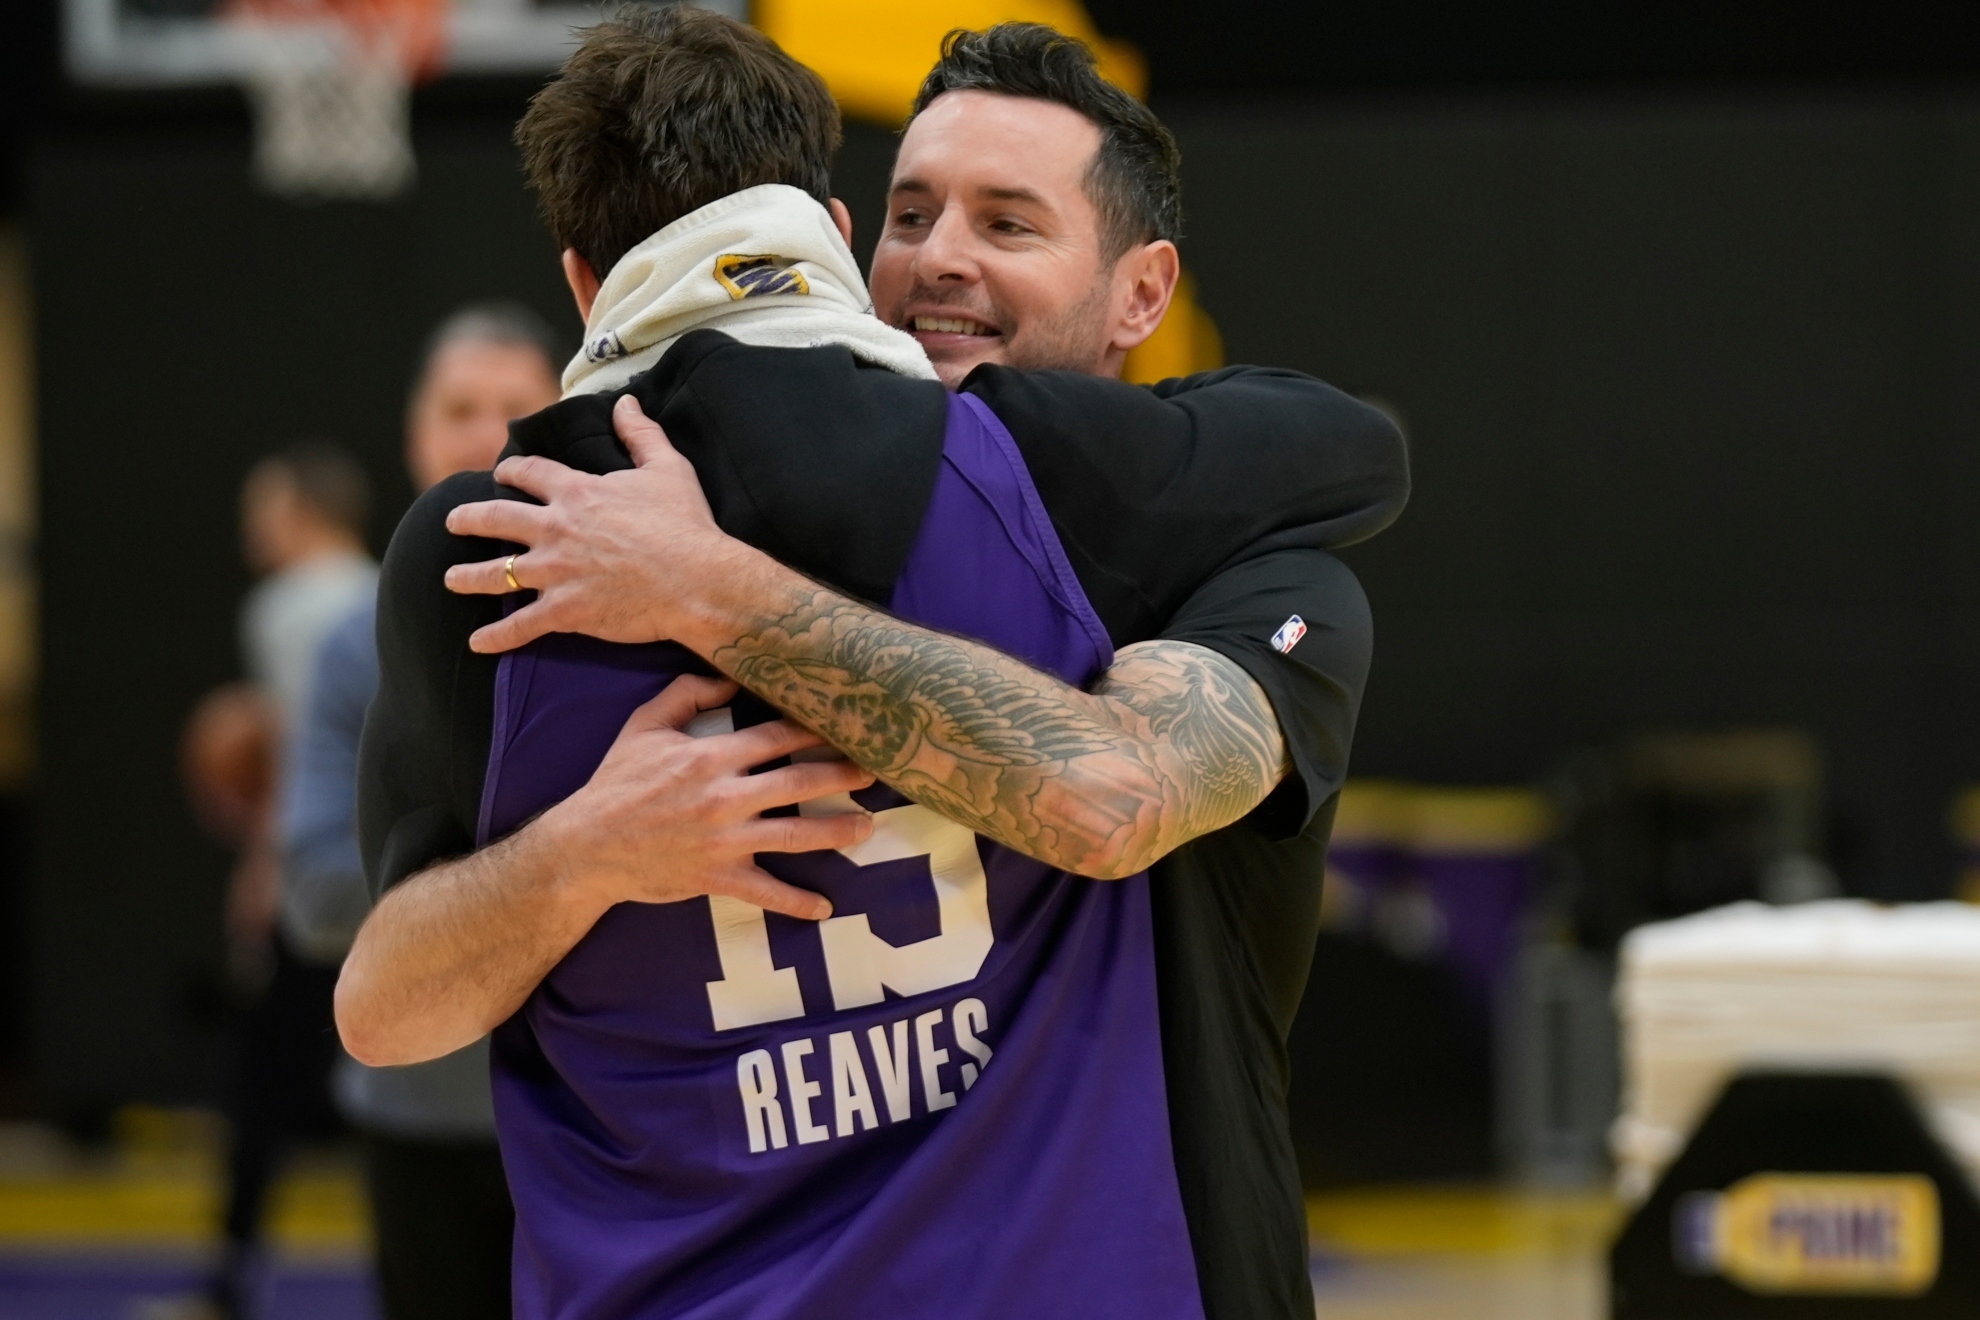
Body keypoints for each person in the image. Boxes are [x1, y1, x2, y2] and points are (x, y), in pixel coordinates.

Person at [340, 13, 1405, 1319]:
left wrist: (717, 592)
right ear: (840, 238)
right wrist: (585, 852)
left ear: (1142, 294)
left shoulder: (1224, 565)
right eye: (911, 215)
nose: (943, 257)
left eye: (1008, 224)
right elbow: (379, 1004)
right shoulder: (513, 549)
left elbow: (1113, 794)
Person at [279, 305, 561, 1319]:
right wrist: (566, 864)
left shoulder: (625, 612)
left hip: (593, 1110)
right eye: (458, 408)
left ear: (565, 416)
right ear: (414, 432)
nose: (485, 434)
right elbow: (312, 893)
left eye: (514, 408)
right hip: (419, 1115)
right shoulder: (355, 647)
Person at [213, 444, 376, 1318]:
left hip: (315, 884)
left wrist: (257, 870)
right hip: (399, 876)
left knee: (259, 1091)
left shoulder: (282, 610)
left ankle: (228, 1279)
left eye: (261, 508)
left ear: (299, 513)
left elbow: (289, 762)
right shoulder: (389, 587)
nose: (251, 526)